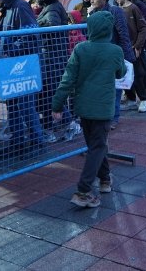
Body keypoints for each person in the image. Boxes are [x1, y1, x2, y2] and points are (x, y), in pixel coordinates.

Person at [51, 11, 126, 208]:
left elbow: (67, 79)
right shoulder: (115, 51)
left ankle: (105, 180)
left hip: (83, 107)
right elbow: (121, 73)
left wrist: (57, 104)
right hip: (103, 108)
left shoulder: (80, 49)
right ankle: (83, 190)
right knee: (98, 146)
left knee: (95, 145)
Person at [0, 0, 44, 160]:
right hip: (13, 64)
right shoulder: (9, 8)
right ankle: (18, 143)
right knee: (13, 105)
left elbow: (30, 35)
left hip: (23, 65)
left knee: (24, 105)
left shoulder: (20, 6)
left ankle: (37, 142)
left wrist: (10, 50)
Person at [88, 0, 136, 121]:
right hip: (99, 56)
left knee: (116, 88)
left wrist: (126, 56)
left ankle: (114, 118)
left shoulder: (115, 11)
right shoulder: (93, 12)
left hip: (114, 54)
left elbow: (123, 34)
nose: (91, 0)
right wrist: (90, 15)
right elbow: (92, 34)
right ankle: (106, 115)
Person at [32, 0, 70, 142]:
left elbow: (51, 29)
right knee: (49, 94)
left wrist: (36, 29)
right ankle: (55, 125)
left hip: (52, 59)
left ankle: (67, 124)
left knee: (50, 94)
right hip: (53, 58)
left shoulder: (53, 9)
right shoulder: (52, 7)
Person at [115, 0, 146, 113]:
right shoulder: (117, 10)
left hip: (134, 48)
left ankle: (144, 99)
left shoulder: (134, 8)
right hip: (122, 49)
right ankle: (131, 100)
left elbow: (143, 28)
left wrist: (137, 46)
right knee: (125, 75)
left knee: (137, 75)